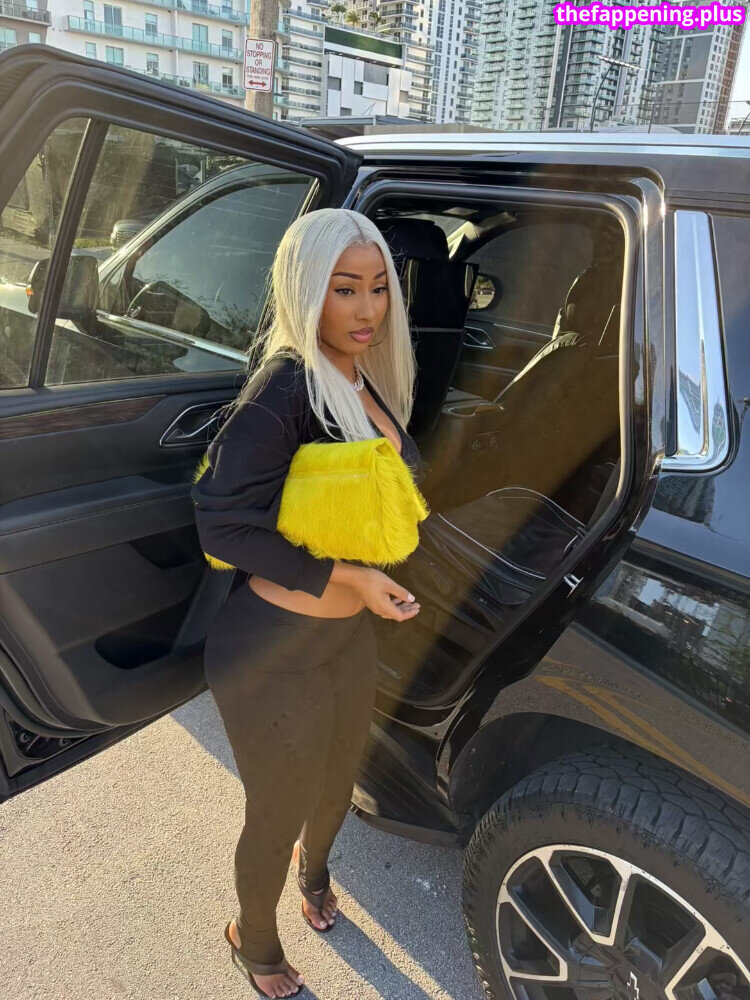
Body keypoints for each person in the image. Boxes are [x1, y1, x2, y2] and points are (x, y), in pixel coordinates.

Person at [191, 207, 427, 998]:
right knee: (278, 807)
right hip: (270, 647)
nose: (367, 309)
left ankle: (315, 871)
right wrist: (352, 579)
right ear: (305, 289)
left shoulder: (363, 374)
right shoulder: (288, 383)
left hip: (344, 639)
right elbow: (222, 522)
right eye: (344, 288)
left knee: (338, 781)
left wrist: (376, 572)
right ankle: (252, 939)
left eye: (379, 287)